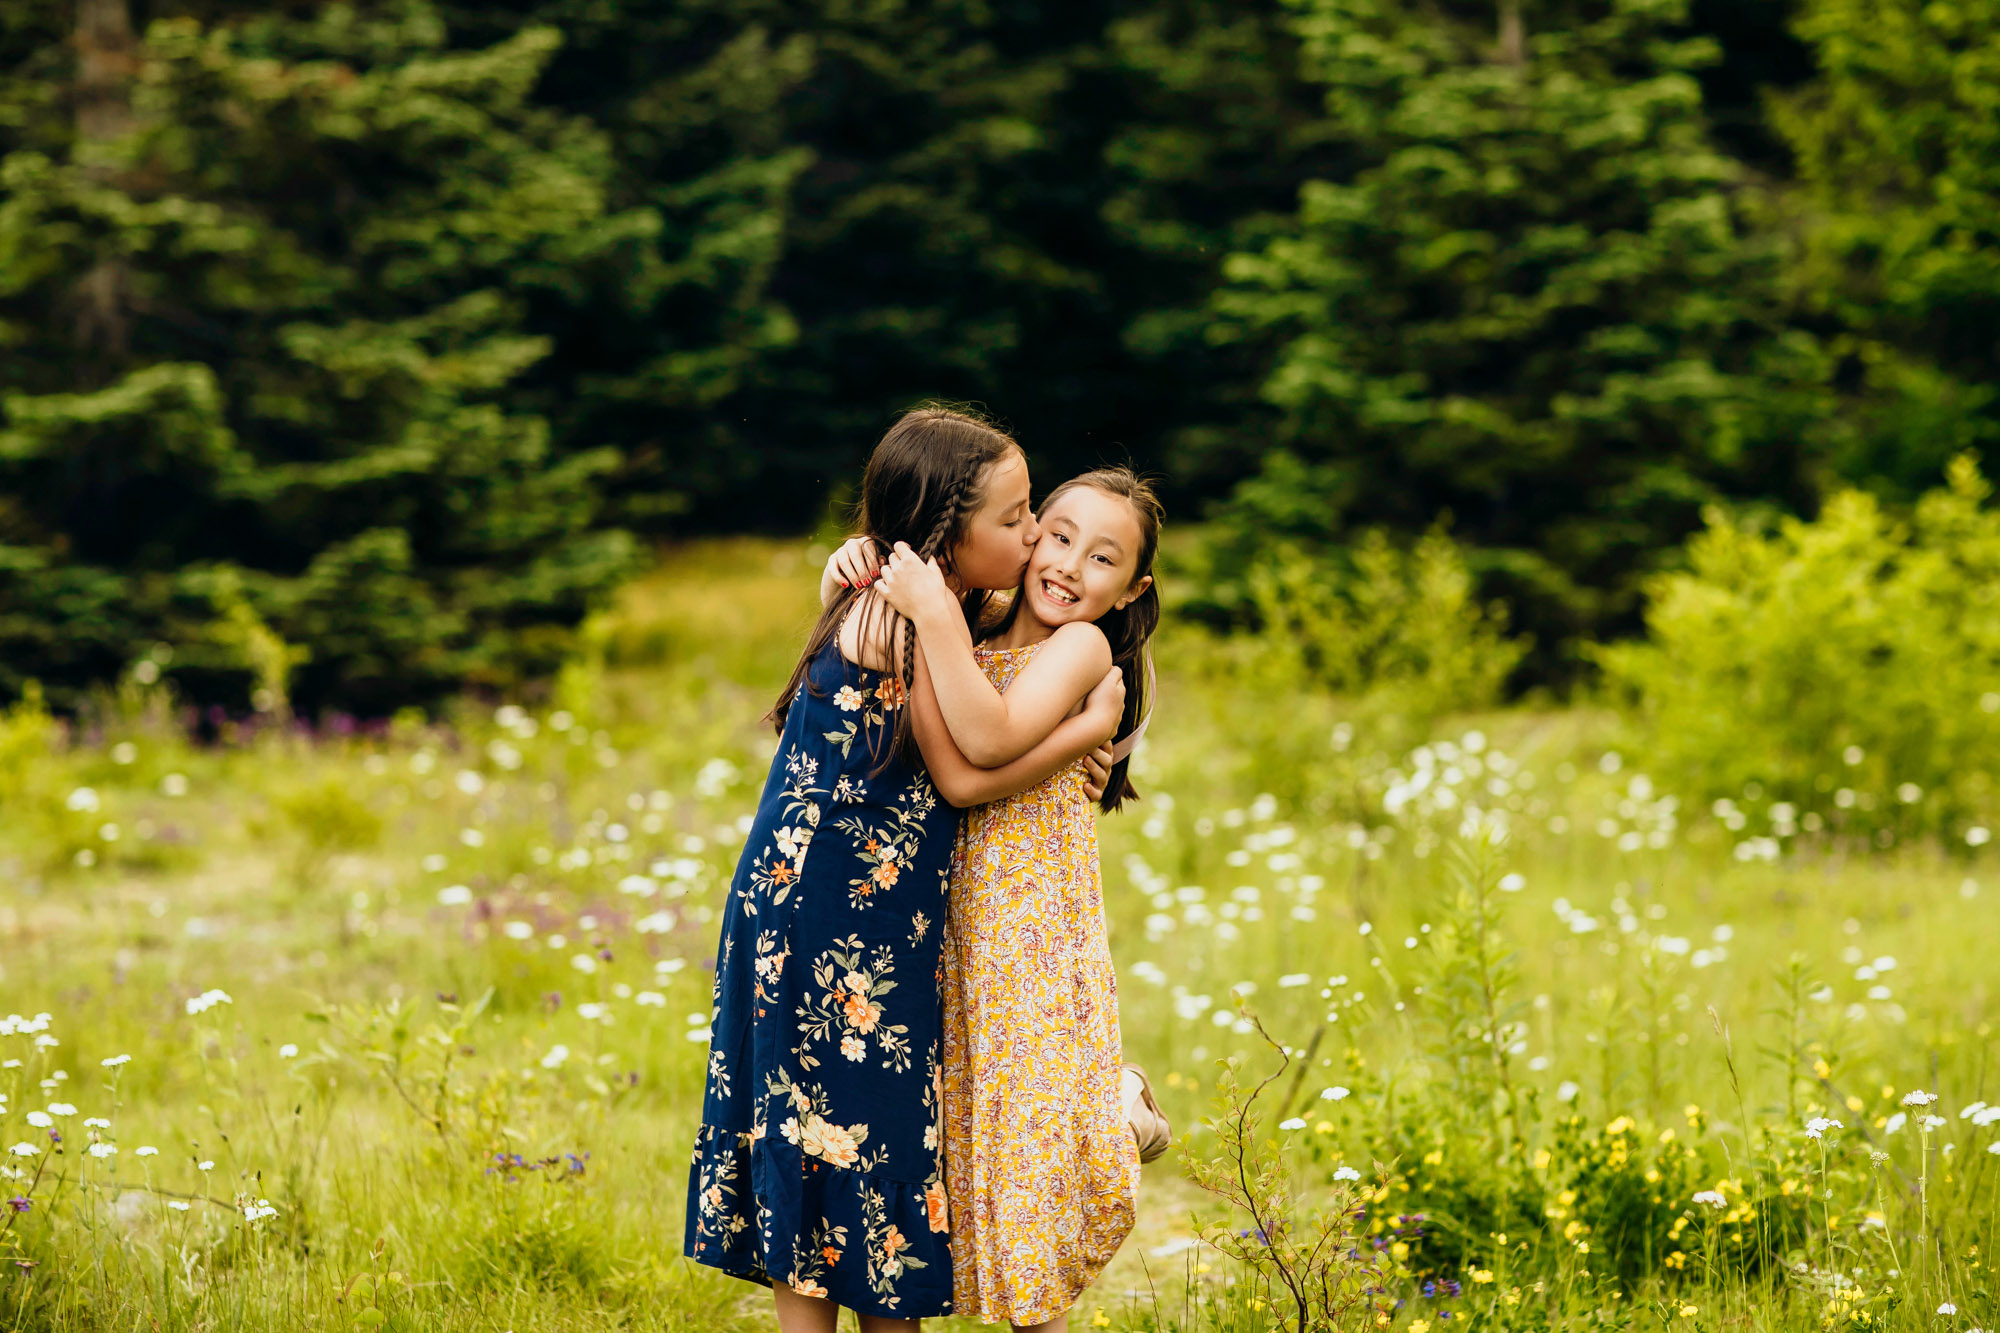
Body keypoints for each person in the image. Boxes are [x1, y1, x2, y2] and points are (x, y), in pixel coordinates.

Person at [683, 407, 1125, 1333]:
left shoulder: (947, 610)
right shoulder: (908, 620)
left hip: (855, 913)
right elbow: (975, 757)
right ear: (947, 538)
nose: (1036, 532)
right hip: (826, 917)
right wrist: (1089, 728)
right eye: (1016, 519)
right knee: (833, 1143)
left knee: (873, 1144)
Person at [872, 467, 1165, 1332]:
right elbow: (954, 759)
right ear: (1029, 529)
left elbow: (979, 747)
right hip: (956, 930)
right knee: (978, 1156)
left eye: (1104, 557)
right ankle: (1110, 1104)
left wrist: (935, 621)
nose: (1072, 565)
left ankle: (1112, 1116)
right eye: (1062, 535)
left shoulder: (1080, 650)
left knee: (1025, 1183)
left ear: (1131, 588)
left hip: (1031, 934)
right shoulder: (974, 622)